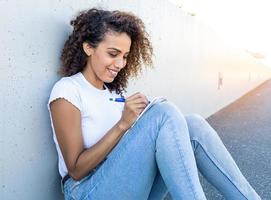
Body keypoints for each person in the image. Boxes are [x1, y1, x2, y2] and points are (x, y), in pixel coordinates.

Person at [47, 8, 261, 200]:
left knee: (193, 125)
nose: (120, 64)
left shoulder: (114, 93)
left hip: (125, 184)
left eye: (125, 56)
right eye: (113, 54)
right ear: (88, 48)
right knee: (163, 112)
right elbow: (76, 169)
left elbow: (126, 151)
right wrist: (123, 125)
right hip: (86, 191)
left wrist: (139, 123)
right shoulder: (68, 90)